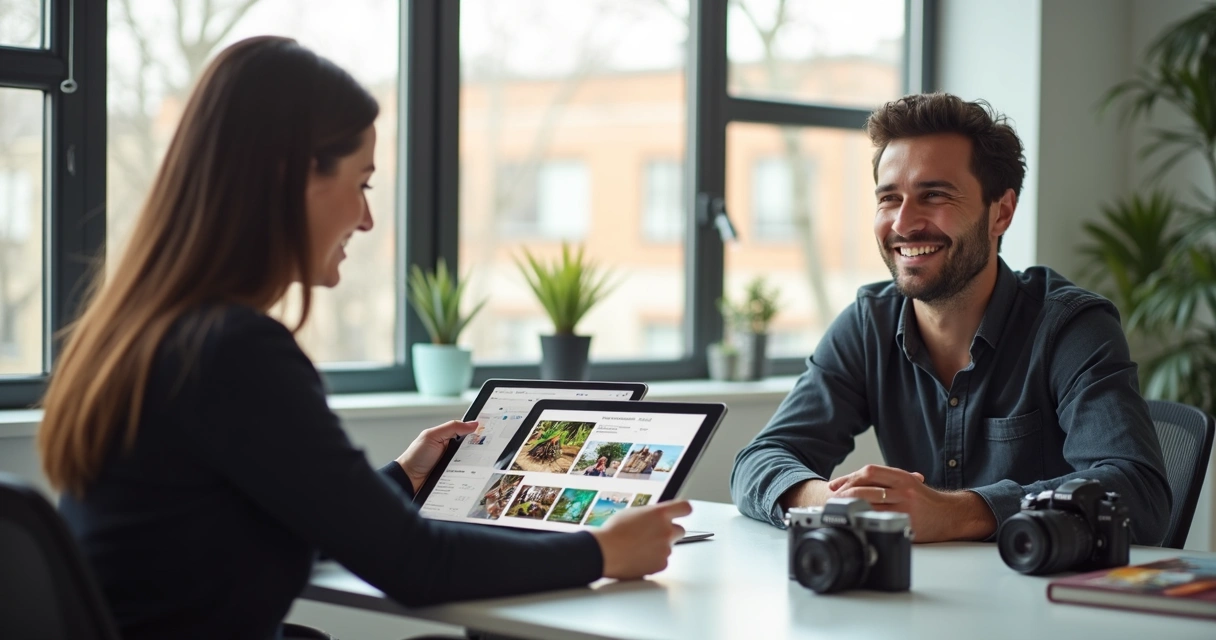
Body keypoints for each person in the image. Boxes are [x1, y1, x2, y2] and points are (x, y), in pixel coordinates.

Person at [37, 36, 690, 640]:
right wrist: (602, 550)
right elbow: (419, 566)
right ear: (294, 177)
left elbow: (265, 517)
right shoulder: (233, 351)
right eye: (362, 183)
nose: (368, 218)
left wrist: (403, 478)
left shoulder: (145, 332)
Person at [731, 92, 1171, 545]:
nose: (903, 223)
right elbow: (760, 460)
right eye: (889, 198)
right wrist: (832, 502)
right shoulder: (868, 325)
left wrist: (958, 513)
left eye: (934, 195)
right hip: (918, 586)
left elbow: (1138, 493)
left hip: (1041, 585)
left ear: (1001, 213)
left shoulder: (1070, 327)